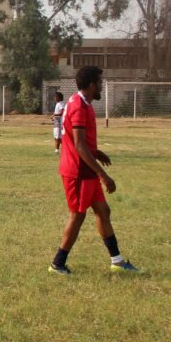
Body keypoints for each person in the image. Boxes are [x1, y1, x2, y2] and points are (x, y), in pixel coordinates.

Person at [49, 66, 139, 275]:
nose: (101, 86)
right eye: (99, 83)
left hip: (86, 169)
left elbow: (78, 139)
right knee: (77, 216)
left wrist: (96, 152)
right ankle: (57, 264)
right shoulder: (79, 106)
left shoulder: (81, 103)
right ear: (91, 85)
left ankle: (117, 261)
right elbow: (79, 144)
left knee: (103, 211)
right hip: (79, 171)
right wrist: (103, 174)